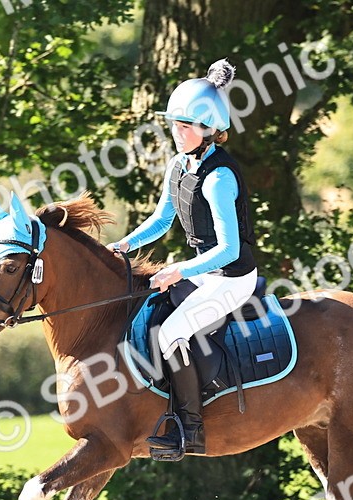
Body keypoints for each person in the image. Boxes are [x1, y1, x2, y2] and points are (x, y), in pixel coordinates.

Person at [109, 58, 259, 459]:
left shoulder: (218, 177)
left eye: (186, 125)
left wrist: (178, 270)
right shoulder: (179, 165)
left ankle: (189, 429)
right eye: (175, 124)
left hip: (231, 277)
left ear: (210, 129)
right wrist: (122, 245)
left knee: (172, 332)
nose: (177, 132)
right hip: (204, 272)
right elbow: (161, 220)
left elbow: (228, 250)